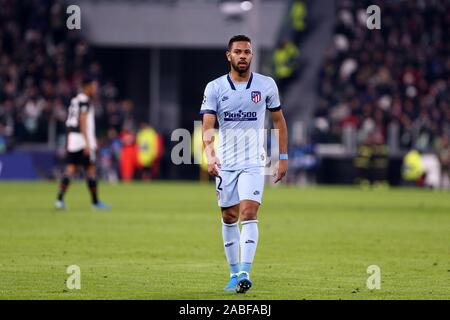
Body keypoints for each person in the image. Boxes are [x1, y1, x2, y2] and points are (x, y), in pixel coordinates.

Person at [200, 35, 288, 293]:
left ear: (252, 55)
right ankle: (233, 272)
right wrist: (210, 153)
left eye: (247, 52)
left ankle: (244, 274)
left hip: (253, 160)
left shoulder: (266, 85)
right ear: (228, 55)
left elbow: (279, 122)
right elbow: (207, 125)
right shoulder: (215, 87)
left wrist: (282, 158)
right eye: (237, 51)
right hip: (226, 161)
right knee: (229, 216)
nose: (242, 56)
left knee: (249, 212)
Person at [54, 76, 111, 210]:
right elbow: (83, 121)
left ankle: (59, 200)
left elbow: (70, 122)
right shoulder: (85, 101)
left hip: (73, 139)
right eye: (94, 86)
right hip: (82, 140)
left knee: (71, 170)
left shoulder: (75, 100)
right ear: (87, 87)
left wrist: (70, 140)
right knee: (91, 170)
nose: (95, 89)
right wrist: (87, 142)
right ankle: (95, 203)